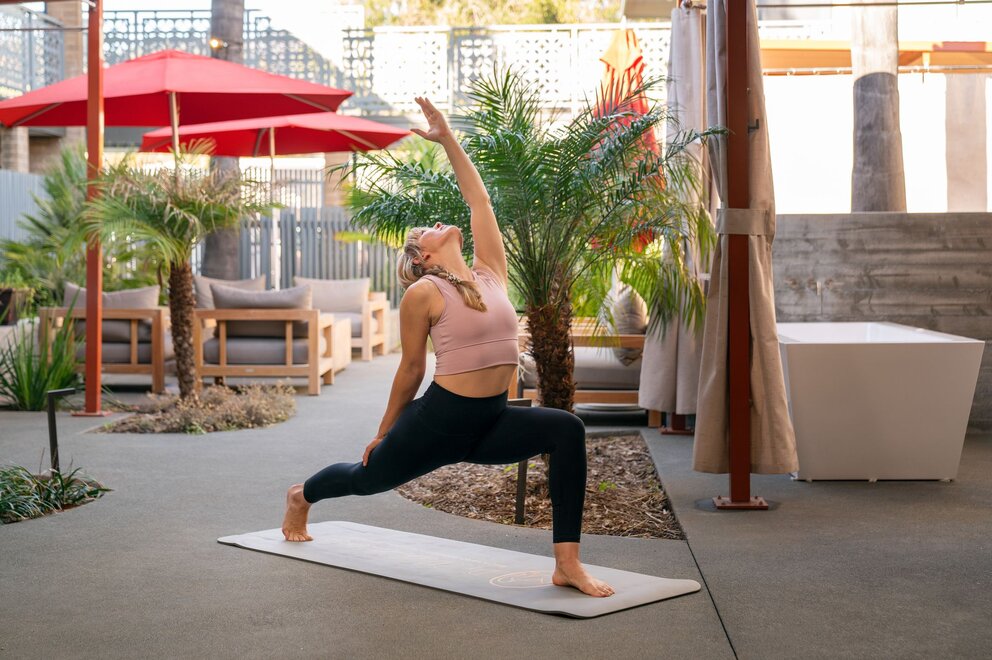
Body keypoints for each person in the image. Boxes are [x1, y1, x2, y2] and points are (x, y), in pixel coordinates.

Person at [281, 97, 614, 598]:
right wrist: (384, 430)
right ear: (423, 257)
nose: (439, 223)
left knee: (566, 428)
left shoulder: (490, 275)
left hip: (492, 420)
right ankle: (301, 495)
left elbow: (480, 201)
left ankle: (567, 562)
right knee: (367, 479)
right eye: (427, 231)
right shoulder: (423, 293)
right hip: (439, 421)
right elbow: (411, 368)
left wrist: (448, 140)